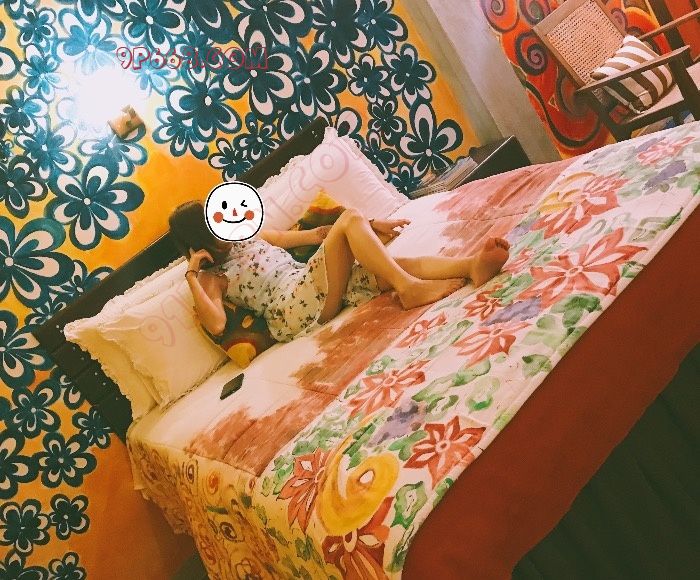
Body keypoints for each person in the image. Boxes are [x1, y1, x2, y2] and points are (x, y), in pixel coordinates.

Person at [168, 201, 509, 343]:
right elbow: (217, 324)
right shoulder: (212, 277)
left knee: (386, 269)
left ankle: (470, 266)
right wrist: (192, 275)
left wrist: (369, 226)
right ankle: (409, 289)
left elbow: (317, 236)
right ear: (198, 238)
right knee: (351, 220)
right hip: (290, 310)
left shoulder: (251, 236)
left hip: (310, 283)